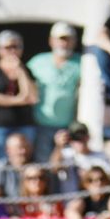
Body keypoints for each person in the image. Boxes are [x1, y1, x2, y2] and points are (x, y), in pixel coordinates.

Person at [27, 23, 83, 161]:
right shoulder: (37, 62)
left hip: (68, 126)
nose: (64, 43)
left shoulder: (82, 62)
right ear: (51, 41)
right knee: (43, 166)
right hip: (41, 125)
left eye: (68, 39)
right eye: (61, 39)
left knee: (66, 167)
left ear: (75, 41)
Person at [0, 30, 38, 162]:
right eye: (8, 47)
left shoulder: (27, 69)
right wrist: (18, 100)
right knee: (0, 161)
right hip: (0, 126)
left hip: (25, 124)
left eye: (16, 47)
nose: (12, 51)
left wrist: (21, 71)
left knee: (26, 161)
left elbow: (32, 97)